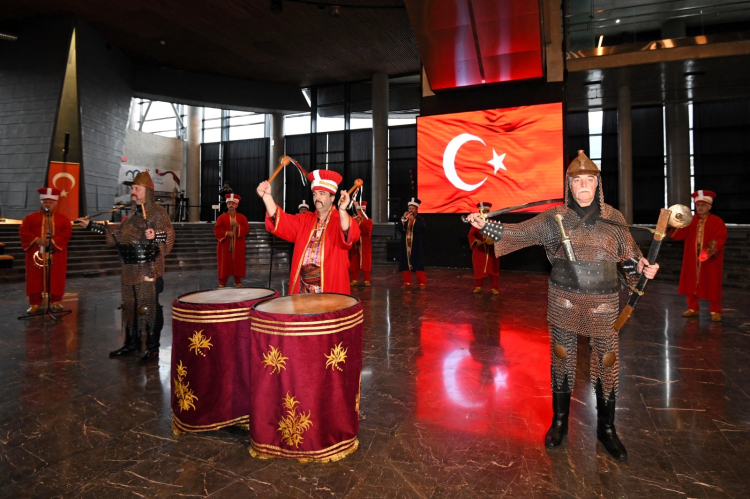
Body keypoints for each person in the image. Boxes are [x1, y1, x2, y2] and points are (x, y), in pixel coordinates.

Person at [467, 150, 659, 461]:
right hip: (564, 300)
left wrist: (641, 268)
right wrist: (485, 225)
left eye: (589, 180)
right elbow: (518, 233)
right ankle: (559, 423)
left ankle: (607, 429)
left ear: (597, 184)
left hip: (603, 303)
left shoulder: (613, 218)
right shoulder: (554, 218)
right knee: (562, 358)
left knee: (607, 362)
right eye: (577, 180)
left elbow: (630, 258)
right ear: (569, 185)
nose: (583, 185)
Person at [77, 170, 175, 364]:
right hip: (130, 269)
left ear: (147, 191)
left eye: (137, 188)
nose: (133, 191)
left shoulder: (157, 212)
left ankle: (153, 348)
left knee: (148, 308)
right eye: (132, 188)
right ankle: (132, 343)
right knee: (129, 307)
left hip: (148, 268)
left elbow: (169, 233)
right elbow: (117, 233)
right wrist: (91, 225)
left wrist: (156, 235)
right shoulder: (132, 215)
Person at [257, 169, 360, 294]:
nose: (317, 197)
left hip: (330, 289)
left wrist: (343, 210)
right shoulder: (305, 220)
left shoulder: (339, 219)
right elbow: (282, 221)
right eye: (315, 194)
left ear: (332, 197)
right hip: (303, 289)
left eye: (322, 193)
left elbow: (351, 234)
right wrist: (267, 197)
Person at [670, 190, 727, 322]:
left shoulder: (717, 221)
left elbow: (721, 238)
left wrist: (713, 248)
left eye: (703, 205)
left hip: (710, 259)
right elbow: (678, 235)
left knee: (712, 283)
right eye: (698, 205)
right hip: (692, 257)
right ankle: (692, 308)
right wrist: (675, 223)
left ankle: (715, 311)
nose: (700, 208)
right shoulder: (690, 220)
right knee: (690, 282)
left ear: (709, 206)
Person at [19, 188, 72, 314]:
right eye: (45, 202)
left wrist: (52, 241)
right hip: (35, 252)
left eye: (50, 202)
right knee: (34, 278)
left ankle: (56, 301)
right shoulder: (30, 218)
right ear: (41, 203)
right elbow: (23, 230)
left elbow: (67, 231)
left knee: (56, 277)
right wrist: (36, 239)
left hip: (56, 253)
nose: (47, 204)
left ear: (55, 204)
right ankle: (35, 303)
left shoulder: (63, 219)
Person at [214, 193, 249, 288]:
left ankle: (238, 281)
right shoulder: (221, 217)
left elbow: (246, 229)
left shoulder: (242, 217)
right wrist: (226, 233)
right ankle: (222, 282)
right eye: (229, 203)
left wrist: (238, 226)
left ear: (236, 205)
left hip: (238, 244)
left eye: (233, 204)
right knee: (224, 263)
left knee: (238, 262)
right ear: (227, 205)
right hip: (225, 245)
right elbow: (217, 230)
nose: (231, 205)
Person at [468, 202, 500, 295]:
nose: (484, 213)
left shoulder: (493, 223)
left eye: (486, 211)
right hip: (479, 251)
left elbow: (498, 234)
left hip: (492, 251)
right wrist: (475, 241)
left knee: (494, 269)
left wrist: (492, 239)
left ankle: (494, 287)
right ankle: (478, 286)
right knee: (478, 268)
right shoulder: (476, 223)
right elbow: (471, 235)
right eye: (483, 211)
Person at [399, 197, 427, 288]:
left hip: (415, 244)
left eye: (412, 208)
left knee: (418, 262)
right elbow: (399, 228)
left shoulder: (420, 219)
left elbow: (421, 228)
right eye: (409, 208)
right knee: (405, 262)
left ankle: (421, 282)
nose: (410, 210)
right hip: (405, 244)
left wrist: (413, 220)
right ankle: (407, 282)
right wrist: (403, 220)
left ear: (416, 209)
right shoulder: (405, 218)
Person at [349, 201, 373, 287]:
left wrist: (360, 222)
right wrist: (353, 221)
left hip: (365, 244)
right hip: (355, 244)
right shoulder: (353, 219)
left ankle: (366, 280)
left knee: (365, 261)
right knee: (354, 261)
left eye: (363, 211)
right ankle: (354, 279)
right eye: (359, 211)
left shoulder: (368, 220)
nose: (361, 213)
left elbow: (367, 231)